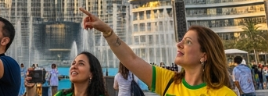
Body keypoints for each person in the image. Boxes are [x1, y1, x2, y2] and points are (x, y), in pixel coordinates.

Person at [80, 7, 235, 96]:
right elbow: (131, 60)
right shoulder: (169, 80)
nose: (178, 44)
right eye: (181, 40)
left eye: (188, 42)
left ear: (204, 55)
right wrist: (107, 31)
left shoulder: (223, 94)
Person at [24, 52, 106, 96]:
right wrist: (30, 88)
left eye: (81, 64)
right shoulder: (61, 94)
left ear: (91, 73)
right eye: (73, 63)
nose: (74, 66)